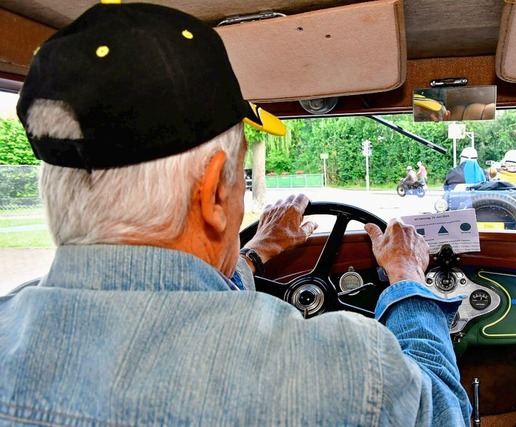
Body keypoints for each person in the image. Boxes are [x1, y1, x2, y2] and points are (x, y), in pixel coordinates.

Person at [0, 2, 471, 426]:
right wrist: (407, 278)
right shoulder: (353, 375)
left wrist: (257, 251)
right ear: (210, 196)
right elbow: (445, 410)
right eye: (239, 172)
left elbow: (169, 294)